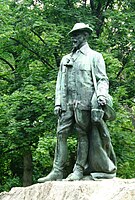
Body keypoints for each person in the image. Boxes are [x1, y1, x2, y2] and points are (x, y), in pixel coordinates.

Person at [38, 23, 117, 182]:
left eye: (77, 35)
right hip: (67, 104)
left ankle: (79, 170)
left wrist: (101, 95)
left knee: (83, 135)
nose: (73, 38)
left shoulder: (95, 56)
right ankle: (57, 170)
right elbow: (60, 83)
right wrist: (58, 103)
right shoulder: (66, 59)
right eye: (72, 35)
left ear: (85, 35)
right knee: (61, 133)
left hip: (85, 103)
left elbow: (102, 79)